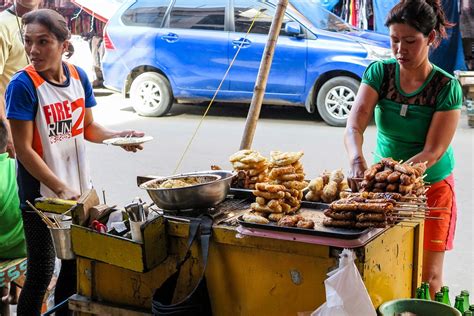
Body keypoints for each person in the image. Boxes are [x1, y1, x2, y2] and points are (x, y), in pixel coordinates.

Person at [5, 9, 145, 315]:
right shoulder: (22, 86)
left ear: (64, 44)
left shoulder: (79, 77)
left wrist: (121, 136)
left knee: (75, 264)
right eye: (29, 42)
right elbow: (25, 150)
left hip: (79, 191)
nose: (33, 50)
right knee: (41, 271)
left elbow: (88, 128)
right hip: (41, 198)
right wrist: (59, 187)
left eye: (43, 42)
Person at [344, 0, 462, 297]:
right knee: (384, 264)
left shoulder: (446, 87)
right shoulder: (380, 73)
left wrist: (390, 176)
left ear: (431, 38)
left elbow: (433, 151)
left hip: (431, 189)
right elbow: (354, 126)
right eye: (394, 40)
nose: (400, 50)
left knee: (428, 275)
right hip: (382, 189)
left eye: (410, 41)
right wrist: (357, 160)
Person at [0, 0, 42, 158]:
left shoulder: (47, 22)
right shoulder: (2, 25)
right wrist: (7, 129)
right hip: (13, 123)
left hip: (42, 123)